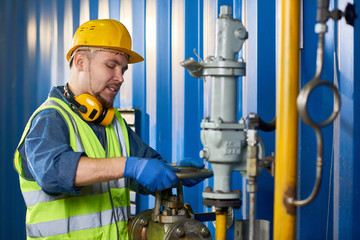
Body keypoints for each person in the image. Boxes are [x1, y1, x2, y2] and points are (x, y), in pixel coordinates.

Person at [14, 19, 204, 240]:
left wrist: (174, 172)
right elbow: (53, 172)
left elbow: (145, 169)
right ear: (80, 61)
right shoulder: (50, 118)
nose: (120, 77)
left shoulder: (114, 124)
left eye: (123, 69)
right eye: (111, 65)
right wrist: (130, 166)